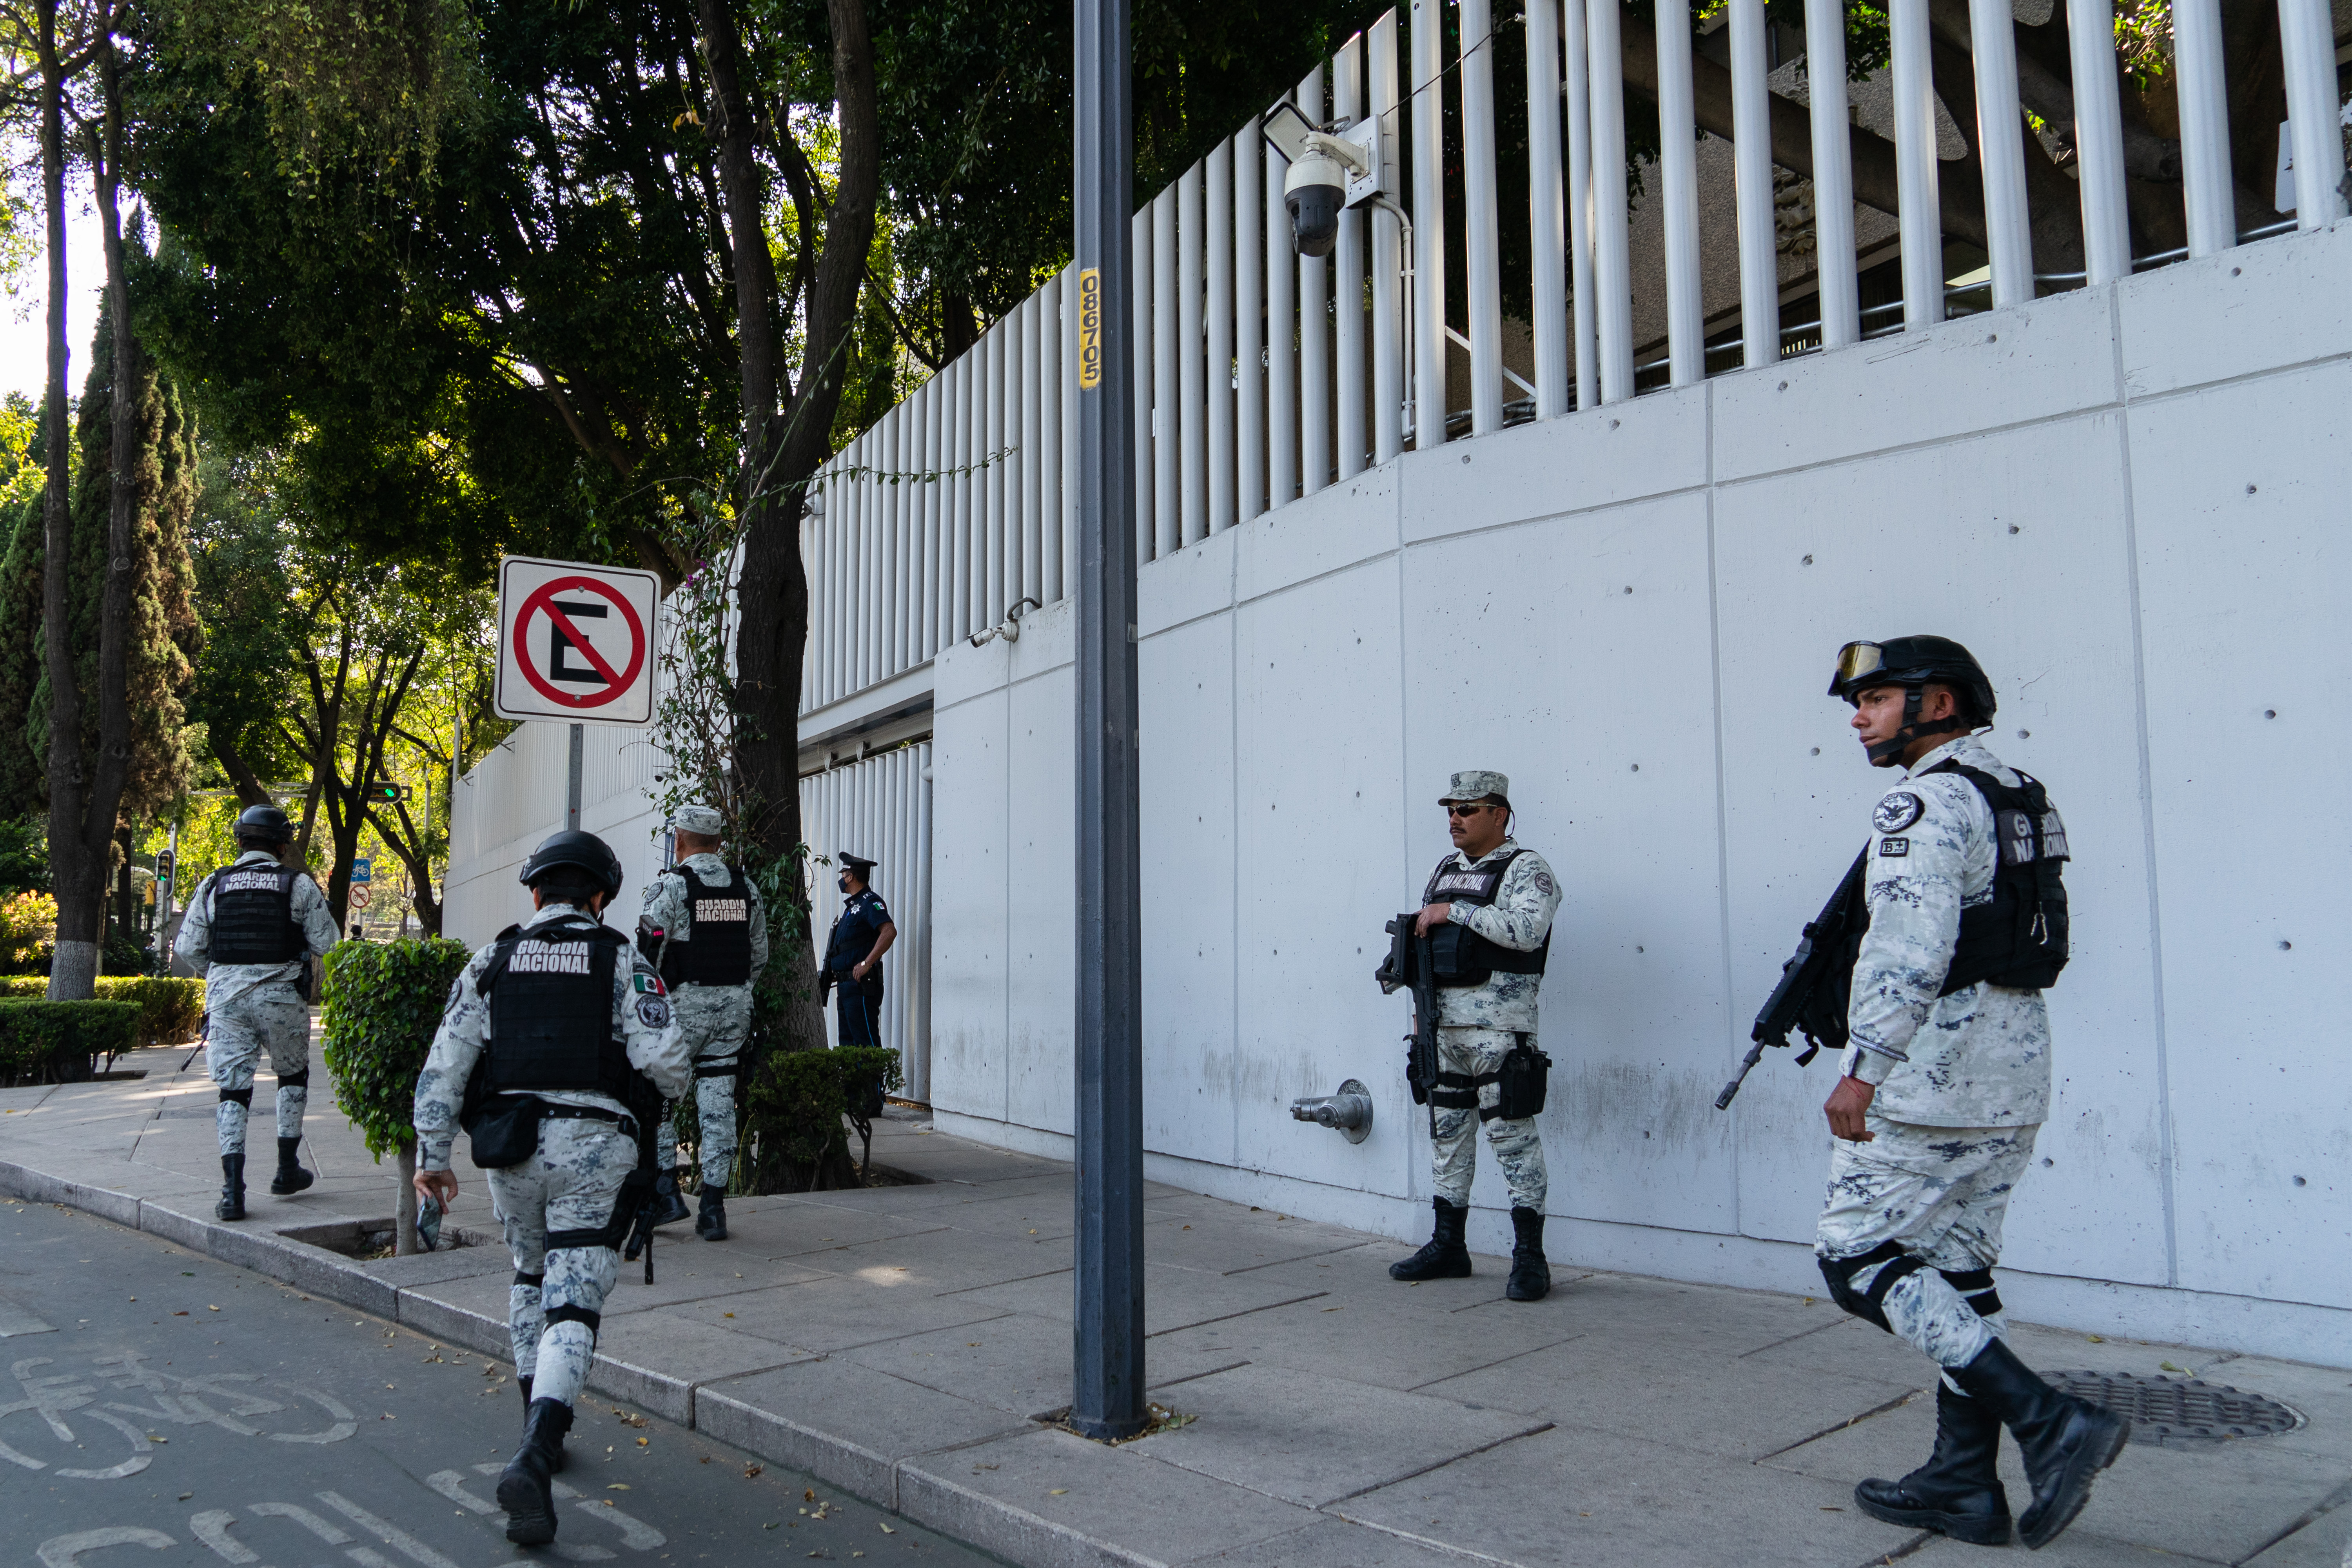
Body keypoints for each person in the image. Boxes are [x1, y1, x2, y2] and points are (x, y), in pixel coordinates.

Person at [1813, 636, 2124, 1550]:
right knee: (1956, 1267)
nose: (1859, 717)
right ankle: (1962, 1482)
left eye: (1875, 698)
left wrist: (1863, 1065)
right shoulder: (2018, 793)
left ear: (1936, 703)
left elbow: (1909, 945)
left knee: (1855, 1256)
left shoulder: (1922, 802)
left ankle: (2050, 1419)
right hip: (2014, 1067)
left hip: (1932, 1075)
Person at [409, 829, 691, 1547]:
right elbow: (669, 1065)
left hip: (510, 1150)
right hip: (594, 1149)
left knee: (531, 1276)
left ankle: (536, 1419)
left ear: (535, 892)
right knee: (575, 1297)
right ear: (599, 897)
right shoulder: (622, 958)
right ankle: (537, 1451)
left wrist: (432, 1155)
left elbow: (445, 1066)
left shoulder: (493, 959)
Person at [1387, 771, 1562, 1302]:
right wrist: (1419, 1024)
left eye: (1468, 810)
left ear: (1499, 816)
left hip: (1499, 1030)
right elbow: (1427, 945)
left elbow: (1529, 931)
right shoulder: (1445, 870)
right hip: (1443, 1027)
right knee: (1448, 1139)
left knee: (1512, 1139)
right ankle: (1449, 1246)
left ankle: (1530, 1258)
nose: (1455, 819)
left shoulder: (1526, 868)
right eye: (1451, 809)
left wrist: (1454, 910)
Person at [172, 804, 341, 1220]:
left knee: (233, 1091)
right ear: (281, 845)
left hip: (227, 1002)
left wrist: (224, 975)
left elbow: (187, 947)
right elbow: (329, 943)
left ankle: (232, 1192)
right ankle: (286, 1169)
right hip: (281, 996)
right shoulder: (297, 885)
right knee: (292, 1075)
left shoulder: (214, 884)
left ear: (241, 841)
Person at [636, 804, 767, 1241]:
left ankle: (665, 1193)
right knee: (717, 1103)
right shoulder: (745, 887)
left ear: (680, 840)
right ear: (718, 843)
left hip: (680, 1012)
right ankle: (713, 1207)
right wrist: (733, 992)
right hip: (733, 1012)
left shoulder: (670, 888)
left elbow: (645, 960)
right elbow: (759, 956)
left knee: (658, 1100)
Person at [820, 853, 895, 1049]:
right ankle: (852, 1083)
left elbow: (889, 932)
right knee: (848, 1048)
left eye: (844, 873)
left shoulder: (870, 902)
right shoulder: (852, 907)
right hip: (846, 986)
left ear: (851, 876)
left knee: (866, 1046)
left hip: (861, 986)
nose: (842, 879)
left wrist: (866, 963)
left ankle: (875, 1083)